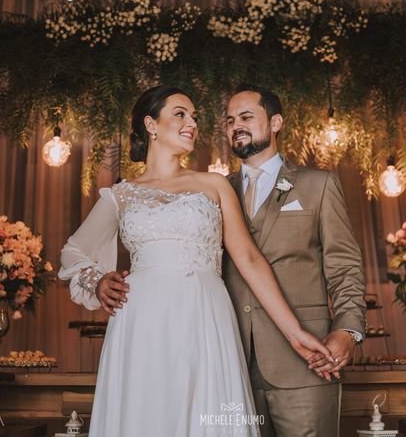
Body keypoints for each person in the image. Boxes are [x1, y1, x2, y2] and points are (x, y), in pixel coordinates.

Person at [58, 85, 333, 436]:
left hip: (204, 315)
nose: (192, 123)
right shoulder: (121, 194)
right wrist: (96, 281)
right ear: (151, 124)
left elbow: (249, 259)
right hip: (141, 321)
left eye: (195, 117)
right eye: (180, 114)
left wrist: (296, 335)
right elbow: (72, 252)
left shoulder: (213, 185)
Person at [223, 83, 367, 436]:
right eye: (229, 121)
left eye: (245, 117)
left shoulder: (318, 185)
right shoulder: (216, 193)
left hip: (307, 360)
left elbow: (345, 267)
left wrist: (348, 331)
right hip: (231, 362)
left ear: (275, 123)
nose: (235, 126)